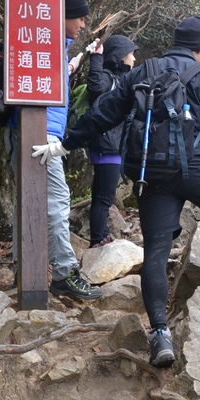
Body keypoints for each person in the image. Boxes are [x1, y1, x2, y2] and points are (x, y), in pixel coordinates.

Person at [33, 16, 200, 368]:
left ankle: (160, 334)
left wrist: (64, 146)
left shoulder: (142, 72)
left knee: (156, 249)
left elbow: (104, 113)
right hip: (199, 169)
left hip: (151, 172)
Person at [7, 0, 101, 300]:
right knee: (57, 201)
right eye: (79, 17)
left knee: (27, 197)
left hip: (29, 130)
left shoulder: (46, 47)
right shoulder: (46, 48)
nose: (83, 23)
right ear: (61, 16)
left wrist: (77, 59)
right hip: (40, 133)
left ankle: (23, 268)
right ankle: (64, 272)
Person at [85, 34, 137, 248]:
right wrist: (96, 58)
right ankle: (98, 239)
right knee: (103, 197)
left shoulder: (119, 79)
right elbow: (95, 87)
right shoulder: (107, 77)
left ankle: (101, 235)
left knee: (103, 195)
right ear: (119, 55)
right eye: (131, 54)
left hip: (111, 145)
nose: (134, 59)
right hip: (107, 146)